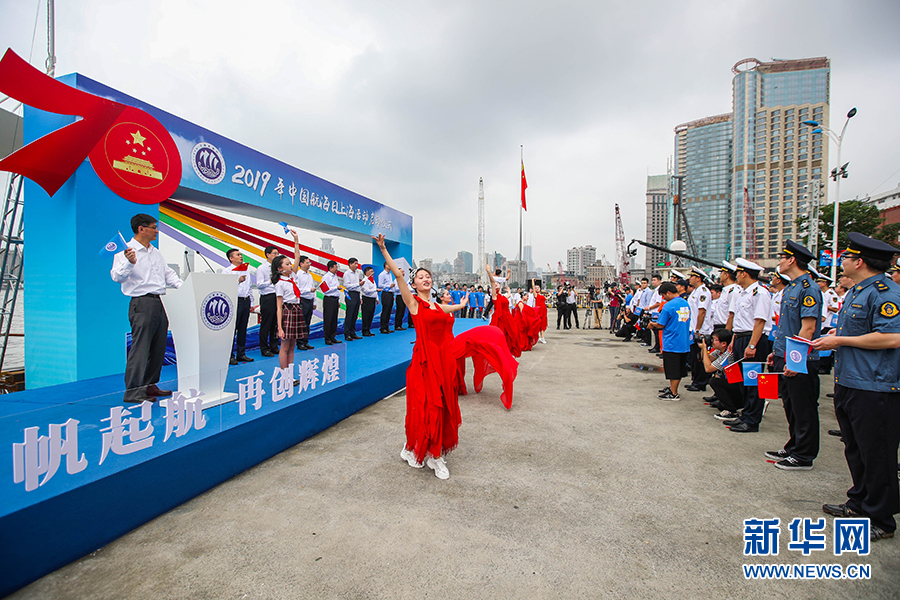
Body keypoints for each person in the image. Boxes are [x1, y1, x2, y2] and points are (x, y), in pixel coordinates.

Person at [812, 232, 900, 542]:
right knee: (856, 447)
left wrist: (839, 340)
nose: (841, 262)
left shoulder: (885, 293)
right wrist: (838, 332)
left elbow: (892, 337)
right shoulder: (856, 291)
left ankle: (881, 517)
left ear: (859, 261)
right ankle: (859, 501)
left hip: (875, 386)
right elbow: (862, 331)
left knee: (878, 452)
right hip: (849, 380)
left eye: (845, 257)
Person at [376, 234, 465, 480]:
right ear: (414, 284)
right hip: (425, 363)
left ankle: (409, 448)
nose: (425, 279)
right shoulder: (414, 303)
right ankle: (435, 457)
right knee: (427, 408)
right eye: (420, 277)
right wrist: (384, 249)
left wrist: (461, 304)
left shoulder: (436, 305)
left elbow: (447, 309)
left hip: (443, 361)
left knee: (443, 406)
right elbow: (398, 275)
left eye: (428, 276)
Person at [111, 213, 183, 403]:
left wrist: (186, 288)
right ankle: (134, 391)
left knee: (158, 346)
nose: (156, 231)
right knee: (141, 347)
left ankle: (150, 385)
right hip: (141, 302)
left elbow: (169, 275)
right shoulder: (125, 251)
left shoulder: (155, 252)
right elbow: (117, 277)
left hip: (159, 301)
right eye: (153, 227)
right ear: (141, 229)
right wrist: (129, 262)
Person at [765, 240, 822, 470]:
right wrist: (777, 353)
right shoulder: (792, 286)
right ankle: (794, 446)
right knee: (790, 405)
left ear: (791, 260)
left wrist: (794, 360)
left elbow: (807, 328)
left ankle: (804, 455)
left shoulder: (809, 288)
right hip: (785, 355)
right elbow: (786, 325)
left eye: (782, 257)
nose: (779, 261)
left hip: (801, 360)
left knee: (803, 407)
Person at [722, 258, 773, 433]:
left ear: (744, 273)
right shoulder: (743, 293)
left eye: (737, 272)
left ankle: (752, 420)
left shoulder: (760, 293)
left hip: (754, 340)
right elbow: (740, 321)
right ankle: (745, 413)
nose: (736, 275)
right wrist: (734, 340)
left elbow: (760, 321)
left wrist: (752, 345)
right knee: (743, 381)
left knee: (754, 382)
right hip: (741, 338)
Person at [649, 282, 691, 401]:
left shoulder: (668, 306)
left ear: (668, 292)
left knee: (673, 369)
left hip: (672, 341)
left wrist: (652, 324)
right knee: (679, 367)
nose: (663, 298)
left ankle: (674, 393)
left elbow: (661, 324)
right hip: (683, 340)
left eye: (663, 295)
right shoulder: (685, 303)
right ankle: (673, 387)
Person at [272, 249, 307, 370]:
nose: (290, 265)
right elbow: (279, 307)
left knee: (292, 345)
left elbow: (297, 257)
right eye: (287, 264)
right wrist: (280, 327)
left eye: (290, 263)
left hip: (297, 309)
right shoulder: (280, 283)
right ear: (279, 269)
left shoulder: (292, 277)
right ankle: (284, 374)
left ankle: (290, 371)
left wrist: (296, 241)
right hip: (288, 311)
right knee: (285, 346)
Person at [698, 328, 743, 419]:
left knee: (714, 381)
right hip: (732, 384)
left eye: (714, 339)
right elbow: (708, 358)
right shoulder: (719, 350)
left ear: (724, 343)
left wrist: (704, 348)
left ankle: (731, 411)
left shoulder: (728, 354)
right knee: (720, 406)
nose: (712, 341)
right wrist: (705, 348)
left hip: (739, 386)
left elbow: (708, 368)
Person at [223, 248, 254, 365]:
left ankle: (241, 354)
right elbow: (224, 287)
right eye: (238, 255)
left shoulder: (246, 270)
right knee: (232, 329)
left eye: (241, 254)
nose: (241, 256)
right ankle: (229, 355)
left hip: (245, 301)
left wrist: (251, 302)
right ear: (231, 258)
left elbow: (249, 287)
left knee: (242, 329)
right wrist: (237, 281)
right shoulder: (227, 271)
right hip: (234, 301)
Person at [685, 267, 713, 392]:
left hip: (701, 330)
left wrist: (697, 329)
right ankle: (695, 380)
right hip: (693, 329)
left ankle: (700, 382)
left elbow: (702, 312)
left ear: (698, 278)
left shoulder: (703, 292)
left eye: (692, 276)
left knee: (699, 357)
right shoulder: (695, 291)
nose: (690, 278)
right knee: (693, 358)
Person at [255, 246, 280, 357]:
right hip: (267, 297)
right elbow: (259, 284)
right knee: (266, 324)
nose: (276, 256)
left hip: (278, 297)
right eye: (274, 253)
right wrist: (271, 281)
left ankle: (274, 346)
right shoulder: (262, 268)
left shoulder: (278, 268)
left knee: (276, 323)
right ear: (268, 255)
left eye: (277, 254)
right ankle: (264, 348)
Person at [294, 253, 316, 350]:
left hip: (310, 300)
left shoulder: (309, 275)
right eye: (307, 262)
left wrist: (314, 302)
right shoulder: (298, 275)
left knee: (307, 322)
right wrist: (308, 290)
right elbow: (297, 290)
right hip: (302, 300)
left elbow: (313, 288)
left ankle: (305, 341)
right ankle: (300, 343)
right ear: (301, 264)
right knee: (301, 323)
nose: (309, 264)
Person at [320, 260, 342, 345]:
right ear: (330, 268)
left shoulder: (335, 276)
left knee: (334, 319)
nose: (337, 269)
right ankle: (327, 338)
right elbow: (325, 290)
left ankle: (333, 337)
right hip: (329, 299)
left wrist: (339, 300)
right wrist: (335, 288)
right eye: (335, 267)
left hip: (335, 299)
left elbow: (337, 291)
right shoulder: (326, 277)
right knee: (328, 319)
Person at [342, 258, 362, 341]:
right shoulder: (347, 274)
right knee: (349, 315)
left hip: (357, 294)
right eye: (355, 263)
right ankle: (347, 334)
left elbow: (358, 287)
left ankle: (353, 332)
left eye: (357, 263)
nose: (356, 265)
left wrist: (360, 297)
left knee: (355, 315)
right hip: (350, 294)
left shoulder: (356, 273)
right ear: (350, 264)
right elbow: (347, 286)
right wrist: (358, 284)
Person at [360, 266, 378, 337]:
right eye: (371, 271)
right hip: (367, 299)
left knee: (371, 315)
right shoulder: (365, 280)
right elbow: (366, 291)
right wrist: (375, 290)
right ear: (367, 272)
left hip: (372, 299)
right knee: (366, 315)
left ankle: (368, 329)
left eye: (373, 271)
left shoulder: (372, 280)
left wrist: (377, 298)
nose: (372, 273)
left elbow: (375, 289)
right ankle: (365, 330)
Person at [377, 263, 395, 334]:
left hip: (390, 293)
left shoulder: (390, 274)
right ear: (386, 266)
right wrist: (389, 285)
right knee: (385, 310)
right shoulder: (382, 274)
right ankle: (383, 328)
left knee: (389, 311)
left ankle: (386, 327)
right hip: (385, 293)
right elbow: (380, 285)